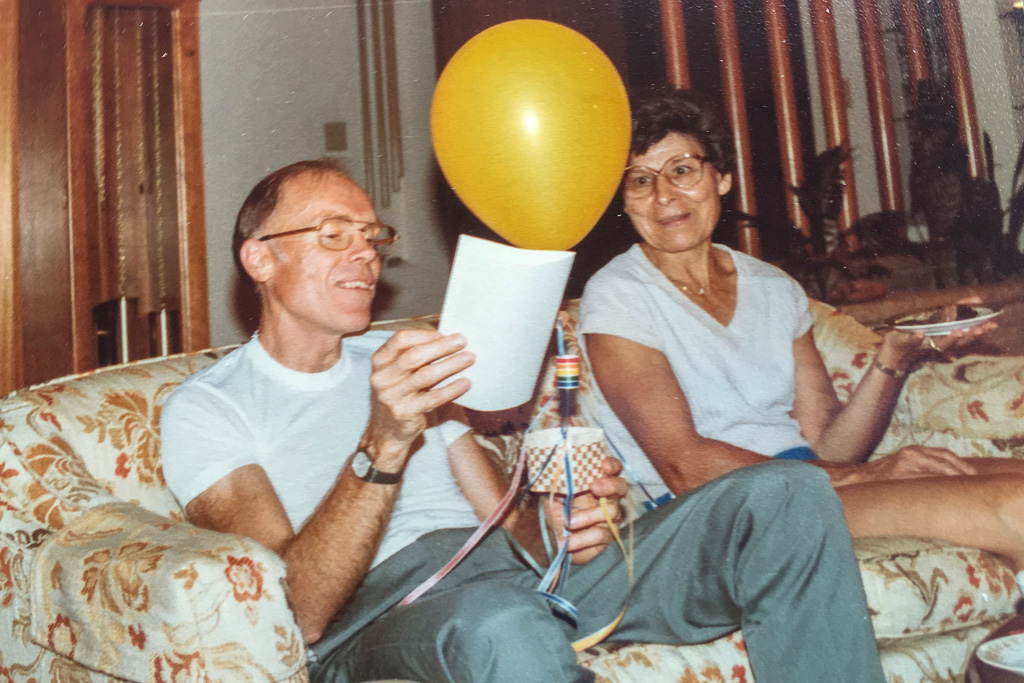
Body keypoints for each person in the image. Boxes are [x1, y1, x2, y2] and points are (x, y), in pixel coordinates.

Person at [161, 158, 886, 683]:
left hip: (521, 582)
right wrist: (383, 441)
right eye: (332, 236)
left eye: (370, 235)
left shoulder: (407, 356)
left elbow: (509, 531)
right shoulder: (211, 405)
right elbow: (300, 611)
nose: (364, 254)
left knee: (787, 494)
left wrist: (565, 520)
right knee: (501, 623)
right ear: (259, 258)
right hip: (383, 617)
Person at [580, 87, 1024, 584]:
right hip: (720, 508)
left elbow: (829, 447)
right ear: (624, 199)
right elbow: (685, 464)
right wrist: (864, 475)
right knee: (1013, 509)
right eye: (641, 180)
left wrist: (895, 354)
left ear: (721, 177)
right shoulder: (618, 294)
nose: (664, 196)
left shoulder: (773, 288)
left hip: (812, 480)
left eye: (682, 170)